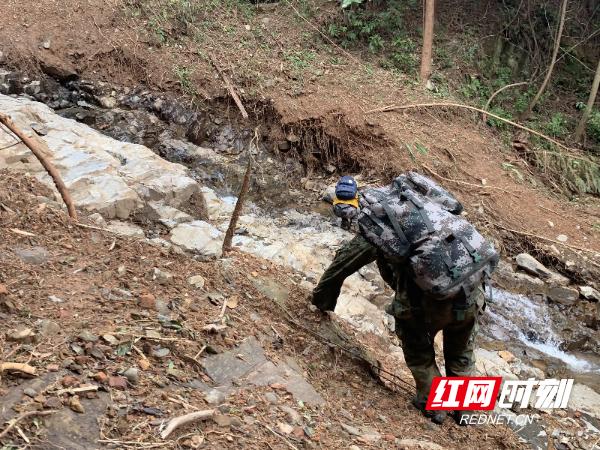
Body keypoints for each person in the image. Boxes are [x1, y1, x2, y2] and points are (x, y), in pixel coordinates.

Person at [312, 174, 490, 425]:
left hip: (426, 301)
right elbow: (456, 207)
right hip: (471, 287)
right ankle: (465, 411)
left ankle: (434, 405)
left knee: (418, 349)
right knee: (461, 351)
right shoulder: (416, 198)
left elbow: (341, 266)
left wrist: (320, 301)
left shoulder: (375, 225)